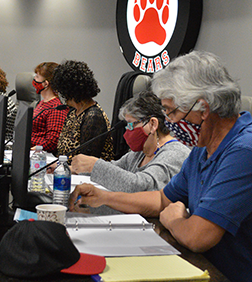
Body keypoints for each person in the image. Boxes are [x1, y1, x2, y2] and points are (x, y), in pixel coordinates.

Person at [69, 51, 252, 282]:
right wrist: (105, 197)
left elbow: (197, 236)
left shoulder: (244, 151)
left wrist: (174, 220)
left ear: (203, 109)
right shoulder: (201, 149)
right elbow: (162, 200)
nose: (170, 122)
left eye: (172, 111)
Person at [71, 90, 190, 193]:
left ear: (153, 124)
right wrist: (73, 169)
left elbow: (141, 186)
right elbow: (115, 169)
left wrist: (95, 166)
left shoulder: (175, 154)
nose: (127, 130)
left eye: (131, 124)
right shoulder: (141, 152)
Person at [52, 60, 114, 162]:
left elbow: (86, 163)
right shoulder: (73, 112)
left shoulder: (93, 117)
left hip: (84, 176)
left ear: (69, 91)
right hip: (67, 171)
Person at [31, 62, 69, 153]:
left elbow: (52, 143)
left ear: (46, 83)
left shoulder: (56, 108)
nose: (34, 79)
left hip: (40, 156)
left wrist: (30, 147)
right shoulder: (42, 103)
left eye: (37, 76)